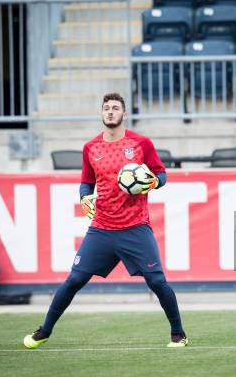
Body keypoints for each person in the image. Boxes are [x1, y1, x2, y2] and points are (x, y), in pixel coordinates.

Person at [23, 92, 188, 349]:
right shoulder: (91, 147)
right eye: (106, 108)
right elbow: (86, 182)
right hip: (101, 228)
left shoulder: (141, 143)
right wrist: (84, 197)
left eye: (115, 108)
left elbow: (161, 173)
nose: (110, 112)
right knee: (74, 280)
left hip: (135, 227)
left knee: (156, 281)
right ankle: (44, 331)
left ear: (124, 114)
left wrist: (154, 182)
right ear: (102, 114)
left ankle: (178, 333)